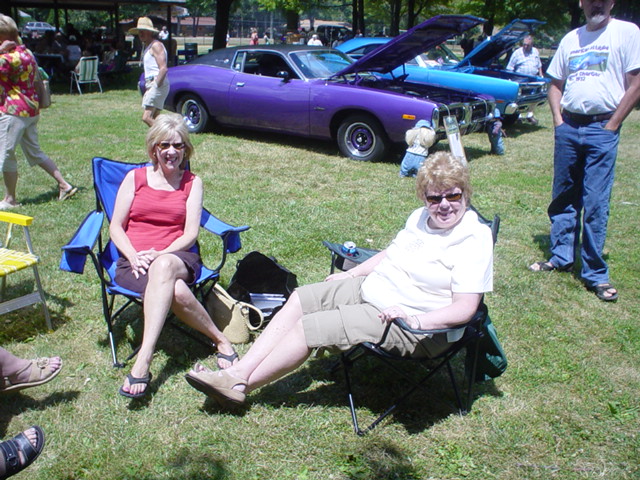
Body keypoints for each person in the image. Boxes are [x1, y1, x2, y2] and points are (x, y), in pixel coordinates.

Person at [185, 152, 494, 407]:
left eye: (452, 195)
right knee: (301, 298)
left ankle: (239, 385)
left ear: (465, 193)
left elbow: (465, 309)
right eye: (433, 197)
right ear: (423, 197)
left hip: (413, 325)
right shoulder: (419, 218)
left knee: (309, 328)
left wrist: (415, 318)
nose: (443, 204)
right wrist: (354, 272)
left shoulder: (472, 238)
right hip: (373, 289)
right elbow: (392, 253)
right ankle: (239, 369)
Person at [111, 113, 238, 398]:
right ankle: (221, 341)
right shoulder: (135, 178)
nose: (171, 152)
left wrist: (159, 253)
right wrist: (133, 256)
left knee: (165, 266)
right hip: (134, 262)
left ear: (186, 149)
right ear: (153, 148)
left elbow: (190, 234)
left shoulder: (193, 183)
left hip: (178, 257)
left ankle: (143, 359)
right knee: (177, 292)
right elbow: (116, 227)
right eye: (164, 145)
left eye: (178, 146)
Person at [529, 0, 640, 302]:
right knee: (564, 195)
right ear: (581, 3)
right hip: (569, 127)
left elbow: (636, 83)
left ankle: (595, 274)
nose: (596, 4)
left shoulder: (627, 33)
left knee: (594, 201)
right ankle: (561, 257)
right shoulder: (571, 39)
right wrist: (558, 121)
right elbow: (555, 84)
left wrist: (613, 124)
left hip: (601, 127)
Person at [0, 14, 77, 210]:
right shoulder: (26, 53)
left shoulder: (6, 58)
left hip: (13, 111)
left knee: (6, 154)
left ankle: (10, 199)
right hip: (31, 110)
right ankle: (64, 185)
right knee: (34, 152)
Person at [128, 17, 169, 127]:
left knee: (146, 117)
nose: (141, 33)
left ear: (150, 32)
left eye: (143, 30)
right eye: (139, 31)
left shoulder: (156, 45)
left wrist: (155, 86)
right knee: (154, 118)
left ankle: (167, 136)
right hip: (152, 83)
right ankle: (158, 142)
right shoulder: (148, 46)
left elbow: (163, 68)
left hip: (157, 82)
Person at [506, 35, 543, 125]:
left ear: (532, 44)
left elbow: (539, 65)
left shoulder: (535, 51)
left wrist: (541, 75)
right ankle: (518, 116)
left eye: (528, 45)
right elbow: (509, 68)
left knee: (533, 98)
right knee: (520, 99)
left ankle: (530, 115)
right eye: (524, 44)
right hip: (520, 79)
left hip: (533, 79)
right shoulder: (517, 53)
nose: (525, 46)